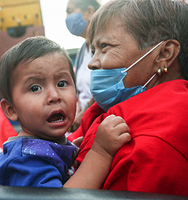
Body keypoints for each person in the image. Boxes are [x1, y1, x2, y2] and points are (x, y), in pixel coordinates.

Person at [67, 0, 188, 196]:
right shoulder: (105, 110)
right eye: (92, 51)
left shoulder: (154, 143)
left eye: (105, 47)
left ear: (164, 54)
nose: (92, 63)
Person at [0, 36, 131, 188]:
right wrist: (100, 153)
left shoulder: (46, 145)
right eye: (35, 88)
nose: (54, 96)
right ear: (11, 109)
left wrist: (71, 152)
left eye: (62, 83)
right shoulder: (25, 162)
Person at [65, 0, 100, 132]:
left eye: (70, 11)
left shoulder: (105, 46)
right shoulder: (82, 51)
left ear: (89, 12)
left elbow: (105, 87)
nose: (67, 18)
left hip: (97, 121)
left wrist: (84, 114)